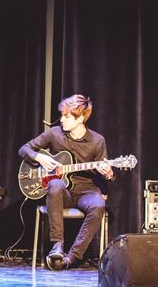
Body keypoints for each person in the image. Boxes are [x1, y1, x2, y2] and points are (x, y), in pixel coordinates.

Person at [19, 94, 114, 270]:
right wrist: (38, 157)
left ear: (80, 119)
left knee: (99, 205)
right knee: (55, 184)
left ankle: (72, 257)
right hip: (63, 193)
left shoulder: (97, 141)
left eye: (66, 116)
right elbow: (24, 149)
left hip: (87, 192)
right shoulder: (55, 133)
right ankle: (57, 245)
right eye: (62, 115)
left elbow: (104, 174)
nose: (61, 119)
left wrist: (108, 173)